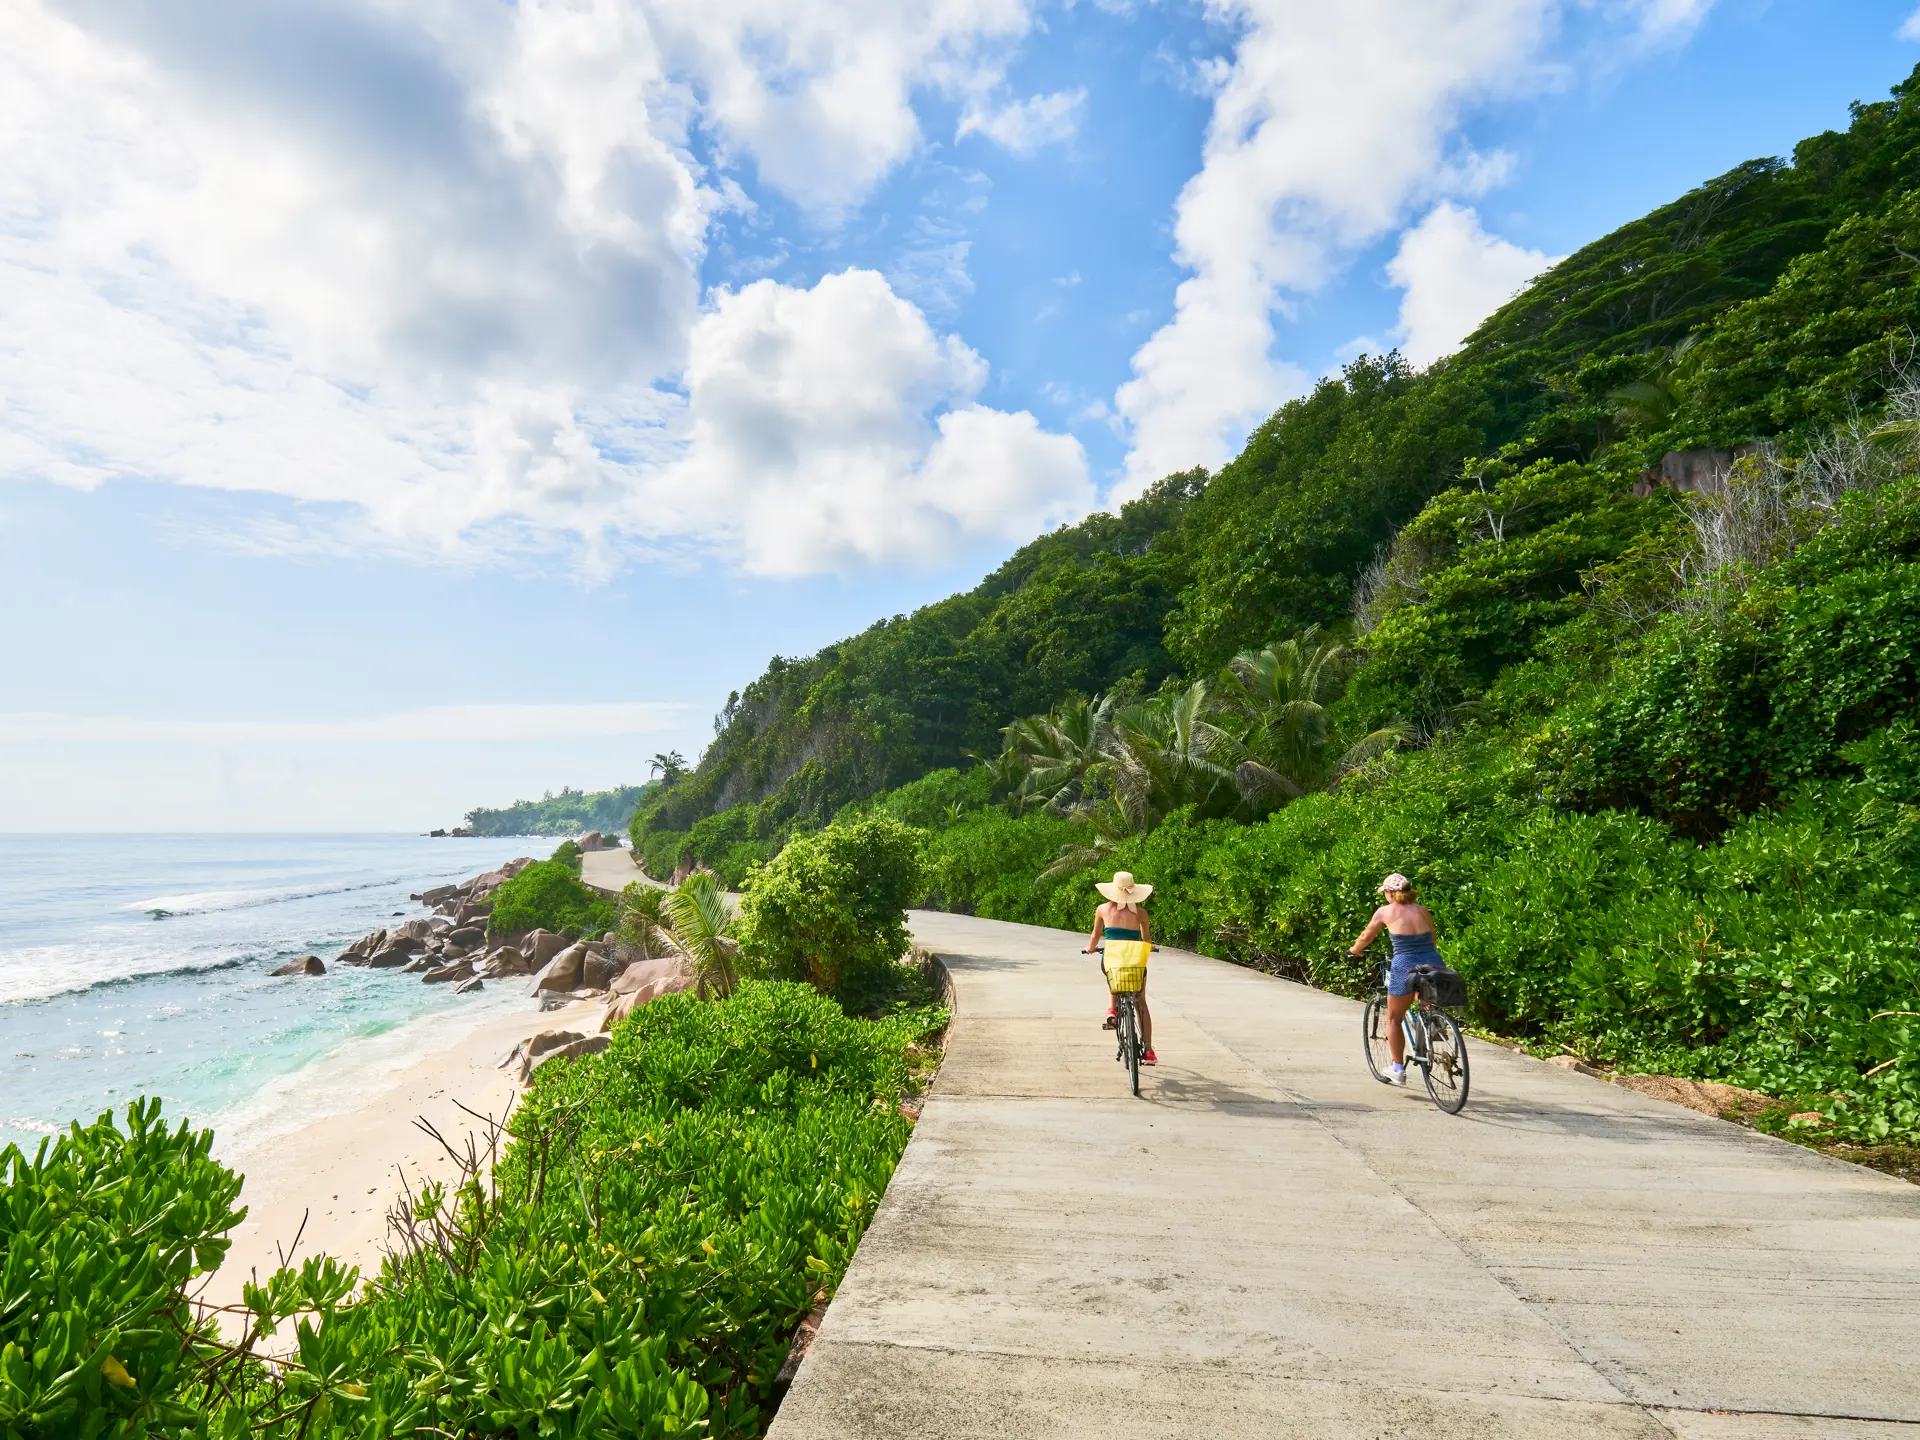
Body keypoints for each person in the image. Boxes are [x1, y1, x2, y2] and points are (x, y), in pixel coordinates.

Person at [1348, 872, 1439, 1086]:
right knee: (1424, 996)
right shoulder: (1423, 911)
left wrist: (1354, 950)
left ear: (1389, 893)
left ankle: (1398, 1069)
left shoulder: (1385, 911)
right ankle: (1433, 1021)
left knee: (1394, 1019)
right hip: (1433, 960)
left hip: (1404, 964)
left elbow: (1366, 937)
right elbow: (1433, 937)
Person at [1087, 870, 1156, 1066]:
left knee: (1112, 972)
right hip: (1134, 961)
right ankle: (1149, 1051)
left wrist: (1090, 949)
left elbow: (1095, 936)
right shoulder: (1141, 913)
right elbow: (1146, 940)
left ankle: (1112, 1010)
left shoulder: (1102, 910)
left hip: (1113, 960)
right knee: (1140, 1002)